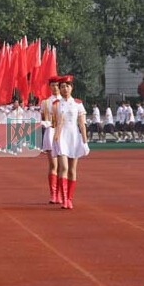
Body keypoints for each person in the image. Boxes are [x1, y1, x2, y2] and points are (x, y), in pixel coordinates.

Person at [52, 76, 89, 210]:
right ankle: (63, 198)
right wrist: (55, 137)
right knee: (64, 168)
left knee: (72, 170)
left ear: (71, 88)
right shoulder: (56, 104)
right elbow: (55, 122)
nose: (65, 89)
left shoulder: (78, 103)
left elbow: (82, 123)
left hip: (74, 137)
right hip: (61, 137)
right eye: (62, 87)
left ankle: (69, 198)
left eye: (67, 86)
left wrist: (85, 141)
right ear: (59, 89)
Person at [40, 76, 62, 203]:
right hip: (50, 132)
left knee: (62, 165)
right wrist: (44, 123)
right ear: (50, 87)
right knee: (53, 165)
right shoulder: (45, 102)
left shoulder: (65, 101)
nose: (55, 87)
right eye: (53, 85)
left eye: (57, 85)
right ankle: (53, 194)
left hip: (63, 133)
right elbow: (42, 117)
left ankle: (60, 192)